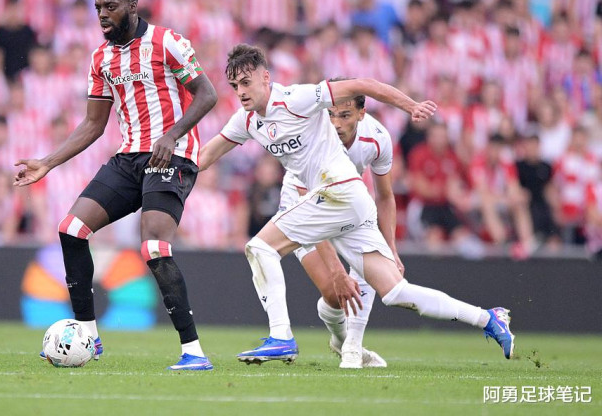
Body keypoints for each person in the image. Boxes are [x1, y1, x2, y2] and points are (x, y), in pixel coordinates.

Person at [198, 44, 515, 366]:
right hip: (348, 201)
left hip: (337, 192)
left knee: (260, 248)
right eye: (235, 86)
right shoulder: (247, 120)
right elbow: (207, 154)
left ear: (266, 77)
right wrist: (172, 168)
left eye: (246, 82)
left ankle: (282, 337)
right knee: (395, 292)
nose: (241, 91)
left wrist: (411, 106)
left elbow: (363, 84)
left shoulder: (296, 99)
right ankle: (488, 318)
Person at [14, 0, 218, 371]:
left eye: (110, 6)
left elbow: (207, 94)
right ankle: (89, 335)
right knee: (71, 229)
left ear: (132, 6)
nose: (102, 14)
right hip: (129, 158)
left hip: (171, 157)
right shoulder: (100, 59)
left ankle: (193, 352)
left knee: (154, 247)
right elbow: (93, 124)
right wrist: (48, 162)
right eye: (98, 8)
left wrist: (172, 135)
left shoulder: (167, 42)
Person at [278, 89, 402, 369]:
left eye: (345, 115)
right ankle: (342, 339)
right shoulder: (310, 136)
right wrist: (337, 271)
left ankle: (352, 346)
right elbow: (311, 210)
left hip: (344, 202)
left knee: (368, 258)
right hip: (303, 205)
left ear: (361, 114)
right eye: (331, 114)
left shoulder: (378, 138)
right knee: (334, 294)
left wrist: (391, 249)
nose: (336, 123)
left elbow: (385, 196)